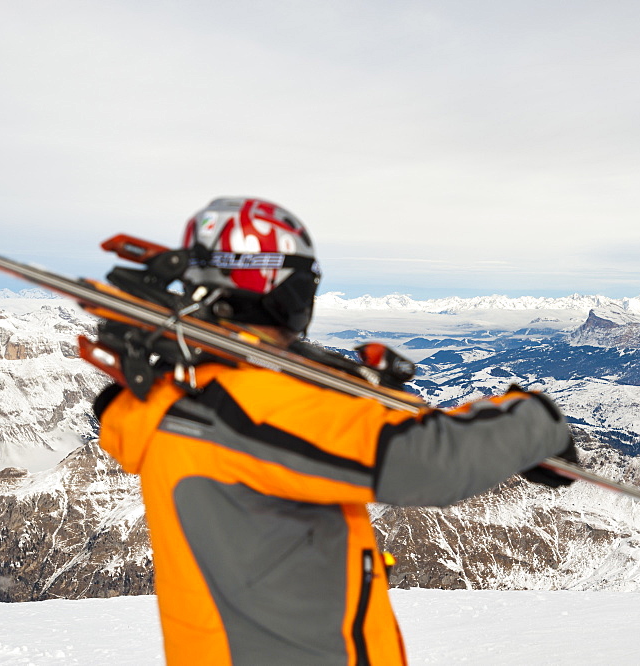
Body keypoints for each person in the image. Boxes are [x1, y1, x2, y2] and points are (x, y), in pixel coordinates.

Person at [93, 197, 578, 665]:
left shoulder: (186, 396)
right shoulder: (245, 404)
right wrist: (535, 421)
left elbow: (331, 429)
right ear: (279, 287)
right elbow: (424, 461)